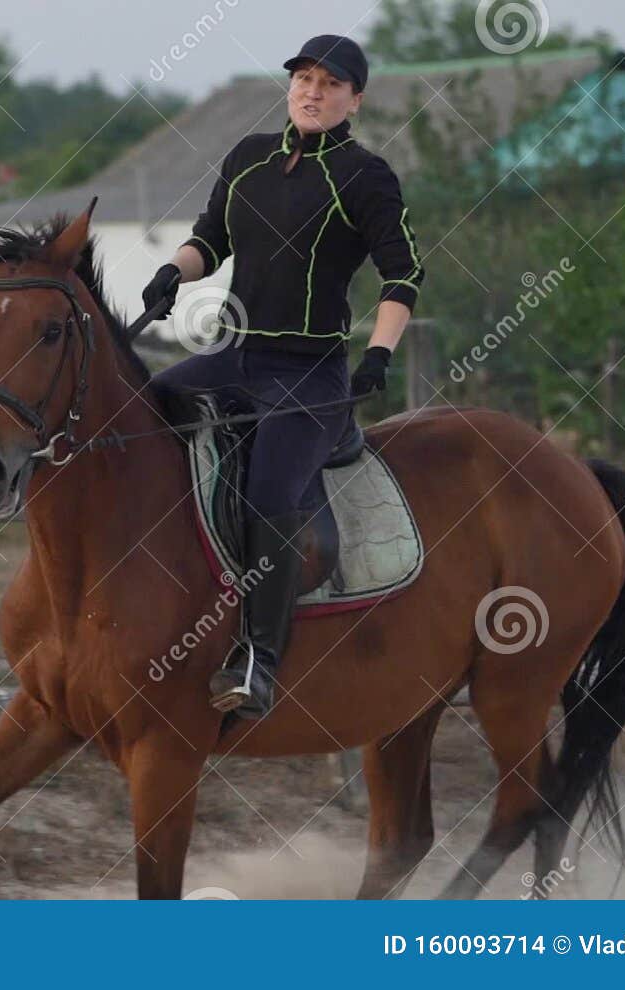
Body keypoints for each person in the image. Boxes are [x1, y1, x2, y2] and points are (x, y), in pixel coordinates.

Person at [146, 33, 425, 719]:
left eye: (331, 83)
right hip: (234, 356)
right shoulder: (248, 159)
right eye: (304, 77)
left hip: (308, 375)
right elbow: (210, 238)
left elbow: (403, 273)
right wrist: (169, 274)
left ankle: (257, 660)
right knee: (139, 412)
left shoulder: (366, 177)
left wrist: (379, 355)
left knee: (270, 494)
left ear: (354, 99)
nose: (313, 91)